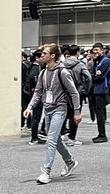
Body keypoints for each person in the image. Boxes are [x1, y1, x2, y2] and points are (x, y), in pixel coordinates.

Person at [22, 44, 79, 184]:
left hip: (60, 109)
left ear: (52, 56)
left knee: (51, 140)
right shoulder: (43, 72)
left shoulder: (63, 72)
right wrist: (30, 107)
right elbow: (38, 92)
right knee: (56, 139)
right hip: (47, 109)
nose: (41, 55)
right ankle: (70, 161)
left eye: (44, 53)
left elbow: (73, 92)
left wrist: (77, 112)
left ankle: (46, 172)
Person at [88, 43, 110, 142]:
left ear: (102, 50)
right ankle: (101, 133)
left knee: (100, 113)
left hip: (101, 90)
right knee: (99, 112)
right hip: (96, 90)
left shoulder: (105, 61)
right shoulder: (96, 61)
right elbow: (94, 74)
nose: (95, 52)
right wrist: (95, 75)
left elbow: (99, 76)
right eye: (94, 50)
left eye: (97, 50)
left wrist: (94, 76)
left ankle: (102, 135)